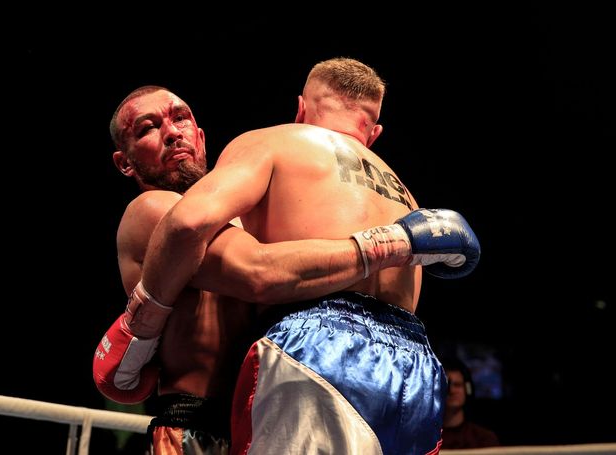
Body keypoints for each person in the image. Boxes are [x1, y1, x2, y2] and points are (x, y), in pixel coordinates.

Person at [138, 58, 480, 455]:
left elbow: (185, 222)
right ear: (374, 132)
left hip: (318, 345)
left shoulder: (277, 141)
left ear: (301, 108)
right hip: (416, 367)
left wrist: (138, 320)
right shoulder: (405, 195)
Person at [92, 85, 426, 454]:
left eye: (180, 117)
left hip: (269, 410)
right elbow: (260, 274)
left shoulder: (249, 214)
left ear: (200, 136)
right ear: (124, 162)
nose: (172, 132)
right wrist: (395, 243)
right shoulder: (154, 212)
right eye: (147, 128)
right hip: (197, 427)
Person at [441, 358, 500, 449]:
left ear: (468, 390)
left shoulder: (484, 439)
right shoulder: (424, 439)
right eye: (446, 385)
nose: (452, 391)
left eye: (457, 385)